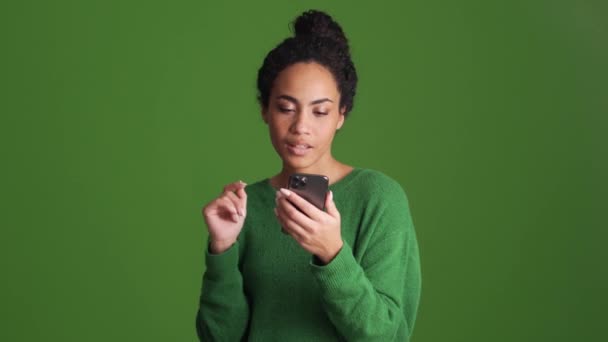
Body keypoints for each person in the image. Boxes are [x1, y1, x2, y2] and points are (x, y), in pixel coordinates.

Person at [196, 9, 421, 341]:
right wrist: (222, 249)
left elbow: (386, 335)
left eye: (320, 111)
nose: (301, 127)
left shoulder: (378, 198)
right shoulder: (245, 208)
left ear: (341, 115)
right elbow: (219, 337)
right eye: (286, 108)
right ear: (264, 110)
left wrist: (332, 253)